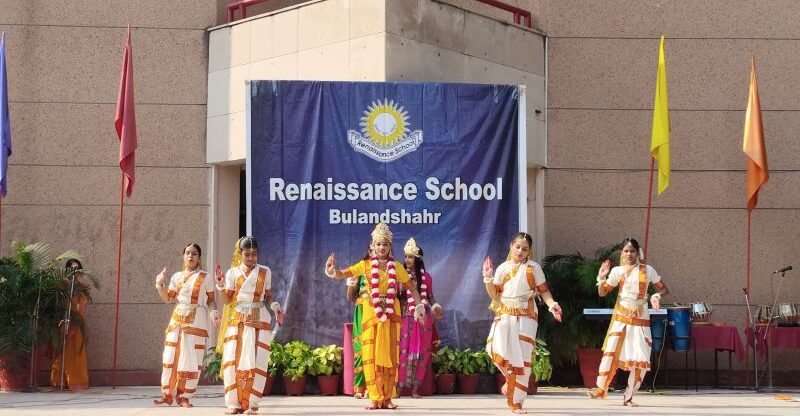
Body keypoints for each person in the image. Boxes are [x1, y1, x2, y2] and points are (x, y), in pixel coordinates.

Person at [325, 223, 426, 410]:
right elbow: (343, 273)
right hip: (371, 315)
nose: (381, 248)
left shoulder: (396, 267)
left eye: (385, 244)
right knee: (370, 356)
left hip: (391, 316)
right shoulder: (364, 265)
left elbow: (412, 288)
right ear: (372, 246)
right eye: (378, 244)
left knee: (389, 356)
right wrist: (331, 271)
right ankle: (374, 397)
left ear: (390, 247)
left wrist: (419, 306)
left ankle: (387, 398)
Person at [483, 232, 562, 414]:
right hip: (505, 313)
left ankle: (516, 403)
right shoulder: (503, 268)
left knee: (523, 360)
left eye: (524, 249)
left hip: (526, 316)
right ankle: (511, 380)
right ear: (511, 246)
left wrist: (552, 305)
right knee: (493, 349)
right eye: (517, 247)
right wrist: (487, 278)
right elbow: (495, 294)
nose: (520, 251)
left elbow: (544, 292)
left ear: (529, 252)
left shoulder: (533, 268)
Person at [587, 238, 669, 407]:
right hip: (621, 318)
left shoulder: (648, 270)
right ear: (622, 253)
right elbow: (603, 293)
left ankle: (629, 396)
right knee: (610, 353)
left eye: (632, 251)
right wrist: (601, 278)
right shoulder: (617, 271)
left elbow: (664, 288)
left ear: (638, 252)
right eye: (626, 251)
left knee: (640, 358)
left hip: (640, 319)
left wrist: (656, 295)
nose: (629, 254)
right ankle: (600, 389)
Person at [215, 237, 284, 415]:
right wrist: (221, 286)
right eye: (247, 255)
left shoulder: (265, 271)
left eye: (254, 254)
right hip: (237, 321)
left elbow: (268, 296)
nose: (251, 258)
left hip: (259, 319)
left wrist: (275, 307)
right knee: (233, 362)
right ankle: (234, 404)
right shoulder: (232, 273)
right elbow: (228, 301)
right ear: (240, 254)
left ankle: (252, 404)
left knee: (258, 361)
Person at [153, 244, 219, 408]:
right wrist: (160, 285)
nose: (191, 256)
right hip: (177, 320)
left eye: (194, 254)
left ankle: (184, 397)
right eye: (188, 253)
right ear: (183, 256)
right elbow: (168, 299)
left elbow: (211, 299)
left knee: (192, 359)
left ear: (199, 258)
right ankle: (167, 394)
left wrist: (213, 312)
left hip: (196, 320)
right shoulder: (176, 276)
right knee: (170, 356)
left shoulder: (206, 277)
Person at [397, 237, 442, 398]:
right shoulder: (400, 276)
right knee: (403, 353)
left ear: (417, 259)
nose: (407, 260)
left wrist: (436, 307)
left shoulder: (427, 277)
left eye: (410, 257)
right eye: (406, 256)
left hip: (423, 320)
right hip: (406, 318)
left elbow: (430, 296)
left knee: (422, 353)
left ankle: (415, 389)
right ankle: (399, 389)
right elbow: (398, 297)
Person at [50, 258, 91, 390]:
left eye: (77, 270)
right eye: (73, 270)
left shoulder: (81, 289)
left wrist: (74, 323)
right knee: (61, 353)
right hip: (62, 322)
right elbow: (57, 305)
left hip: (76, 325)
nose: (75, 273)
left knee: (75, 354)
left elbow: (82, 306)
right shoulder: (62, 287)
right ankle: (59, 382)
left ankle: (76, 382)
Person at [345, 247, 369, 399]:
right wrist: (351, 284)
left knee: (376, 351)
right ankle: (359, 387)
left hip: (379, 314)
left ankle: (375, 388)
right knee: (361, 348)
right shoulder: (361, 268)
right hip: (362, 312)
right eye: (374, 247)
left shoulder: (389, 269)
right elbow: (350, 297)